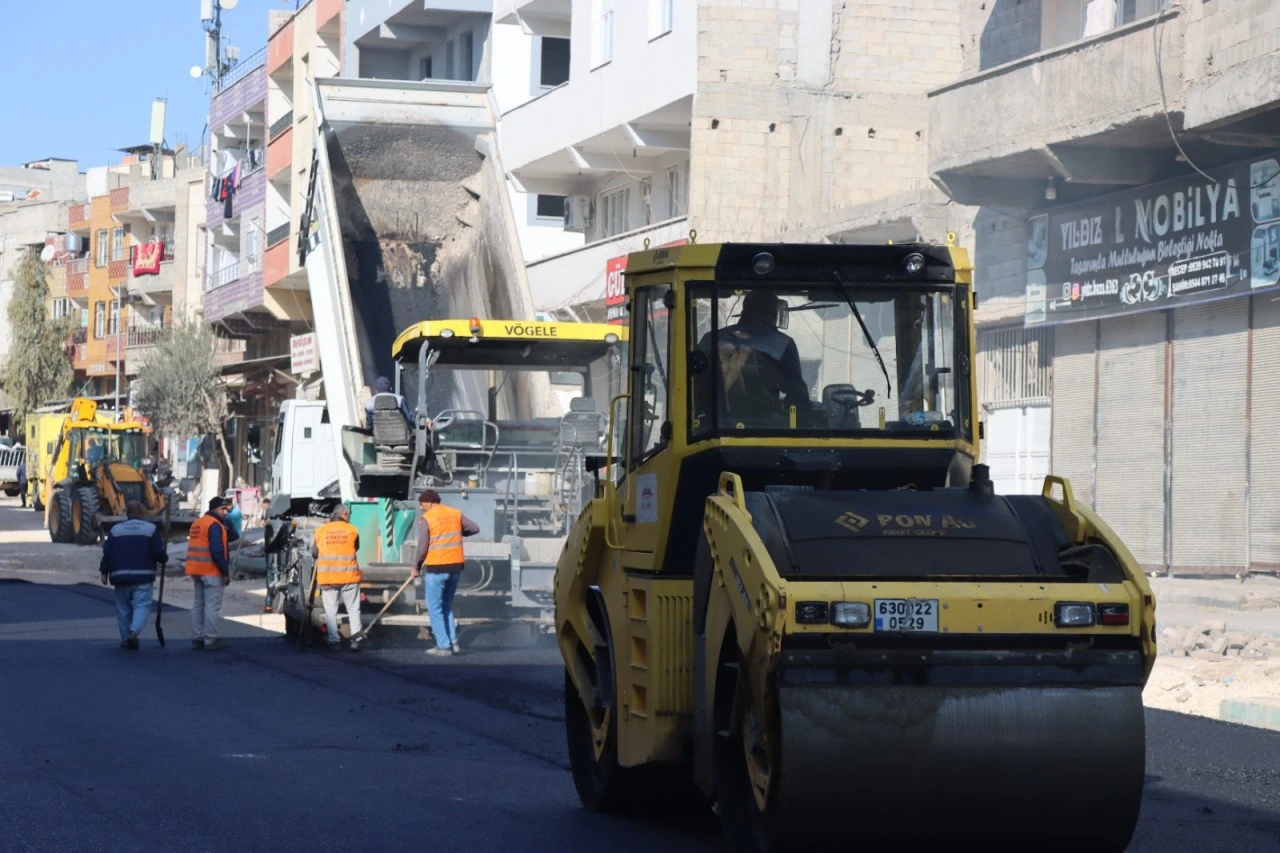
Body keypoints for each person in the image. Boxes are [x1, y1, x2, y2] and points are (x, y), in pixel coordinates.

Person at [698, 290, 810, 416]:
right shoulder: (782, 344)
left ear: (744, 311)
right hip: (766, 427)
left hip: (712, 426)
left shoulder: (711, 339)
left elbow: (694, 391)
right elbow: (798, 396)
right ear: (774, 315)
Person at [412, 489, 480, 656]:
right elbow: (475, 528)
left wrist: (416, 567)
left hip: (437, 569)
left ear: (428, 502)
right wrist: (459, 532)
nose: (421, 508)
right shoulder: (454, 513)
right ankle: (454, 642)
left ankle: (443, 646)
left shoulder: (427, 519)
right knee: (446, 606)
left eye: (421, 504)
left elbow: (422, 548)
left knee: (434, 608)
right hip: (455, 568)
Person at [99, 501, 168, 650]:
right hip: (143, 576)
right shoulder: (150, 529)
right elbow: (157, 552)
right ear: (142, 512)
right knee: (141, 605)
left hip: (120, 576)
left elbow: (108, 552)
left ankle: (125, 638)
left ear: (127, 514)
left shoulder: (116, 530)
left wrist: (104, 571)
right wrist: (163, 558)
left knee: (123, 608)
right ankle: (133, 631)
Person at [185, 496, 237, 650]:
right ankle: (210, 639)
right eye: (222, 509)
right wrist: (225, 572)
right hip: (211, 571)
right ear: (214, 509)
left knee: (198, 605)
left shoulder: (198, 523)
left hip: (197, 570)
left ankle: (197, 637)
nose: (225, 512)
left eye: (226, 509)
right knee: (211, 606)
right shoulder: (214, 525)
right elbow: (217, 550)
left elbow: (231, 537)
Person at [310, 503, 364, 651]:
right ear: (345, 515)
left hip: (328, 578)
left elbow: (314, 552)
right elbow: (356, 547)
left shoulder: (320, 531)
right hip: (348, 577)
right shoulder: (352, 530)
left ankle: (334, 641)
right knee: (353, 609)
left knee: (330, 611)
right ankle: (356, 641)